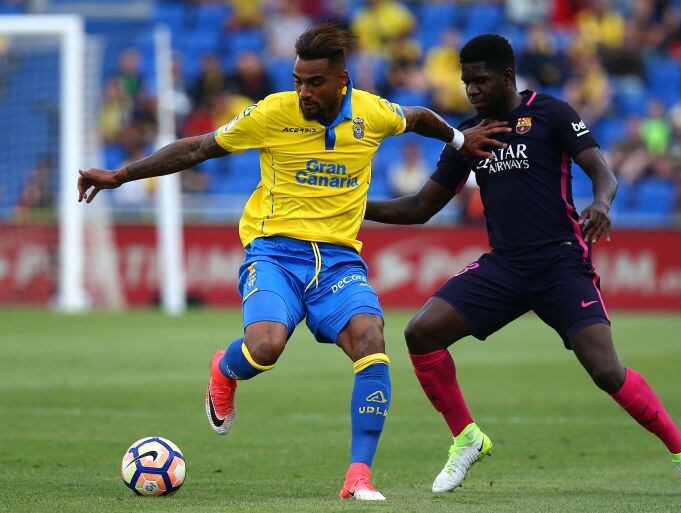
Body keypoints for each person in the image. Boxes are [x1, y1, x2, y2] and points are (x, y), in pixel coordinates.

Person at [77, 24, 508, 501]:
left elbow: (420, 117)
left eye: (314, 82)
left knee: (371, 341)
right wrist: (121, 174)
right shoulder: (272, 112)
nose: (303, 91)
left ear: (342, 80)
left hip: (340, 260)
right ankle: (225, 369)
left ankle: (358, 477)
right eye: (298, 79)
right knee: (265, 347)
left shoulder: (372, 112)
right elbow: (199, 147)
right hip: (275, 252)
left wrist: (457, 140)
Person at [364, 34, 681, 498]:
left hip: (560, 265)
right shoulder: (467, 137)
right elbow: (418, 208)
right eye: (466, 82)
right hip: (505, 268)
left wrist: (603, 203)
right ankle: (467, 439)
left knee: (606, 371)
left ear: (508, 76)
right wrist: (351, 204)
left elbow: (601, 170)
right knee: (420, 333)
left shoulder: (551, 113)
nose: (471, 90)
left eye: (480, 81)